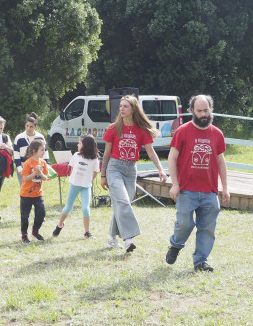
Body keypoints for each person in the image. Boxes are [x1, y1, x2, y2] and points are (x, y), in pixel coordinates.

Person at [166, 95, 229, 272]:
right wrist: (175, 184)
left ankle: (200, 261)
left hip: (209, 191)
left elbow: (221, 162)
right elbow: (172, 158)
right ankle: (176, 245)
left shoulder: (217, 134)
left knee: (207, 229)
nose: (203, 114)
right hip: (187, 190)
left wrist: (225, 188)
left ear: (211, 109)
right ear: (192, 111)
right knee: (184, 223)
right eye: (199, 111)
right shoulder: (183, 131)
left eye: (206, 110)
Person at [101, 95, 168, 253]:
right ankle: (128, 239)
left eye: (125, 106)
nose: (122, 109)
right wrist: (103, 175)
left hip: (131, 170)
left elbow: (151, 153)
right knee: (123, 201)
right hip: (114, 168)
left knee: (122, 205)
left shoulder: (141, 130)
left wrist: (160, 169)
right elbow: (106, 153)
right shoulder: (113, 128)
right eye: (121, 106)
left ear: (133, 110)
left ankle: (112, 237)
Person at [52, 134, 100, 239]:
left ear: (85, 145)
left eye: (79, 143)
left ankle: (87, 232)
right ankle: (59, 225)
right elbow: (72, 168)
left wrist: (89, 180)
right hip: (74, 185)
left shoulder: (95, 160)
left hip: (86, 187)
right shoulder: (76, 155)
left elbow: (95, 172)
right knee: (68, 208)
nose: (78, 145)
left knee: (85, 209)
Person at [19, 140, 52, 243]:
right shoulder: (28, 163)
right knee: (25, 216)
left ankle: (35, 231)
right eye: (42, 150)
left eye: (44, 150)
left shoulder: (43, 163)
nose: (44, 152)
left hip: (38, 194)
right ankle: (24, 235)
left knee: (41, 213)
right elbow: (26, 179)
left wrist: (40, 173)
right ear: (34, 151)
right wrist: (34, 173)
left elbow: (45, 177)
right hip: (26, 194)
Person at [13, 112, 49, 186]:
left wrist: (47, 166)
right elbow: (16, 155)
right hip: (23, 167)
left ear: (35, 127)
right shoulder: (19, 138)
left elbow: (45, 152)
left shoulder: (40, 137)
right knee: (24, 189)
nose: (28, 128)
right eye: (27, 126)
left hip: (37, 167)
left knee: (36, 187)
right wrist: (19, 169)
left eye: (31, 126)